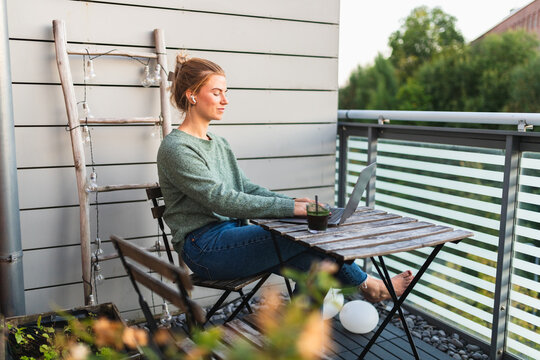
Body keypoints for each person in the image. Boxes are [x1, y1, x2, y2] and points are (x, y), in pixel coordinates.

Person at [157, 54, 413, 303]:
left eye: (226, 92)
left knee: (319, 262)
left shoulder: (219, 143)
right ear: (192, 95)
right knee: (310, 234)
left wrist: (291, 203)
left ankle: (301, 329)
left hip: (235, 236)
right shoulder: (177, 148)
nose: (225, 100)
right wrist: (292, 208)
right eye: (216, 93)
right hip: (205, 249)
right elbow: (221, 200)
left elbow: (246, 188)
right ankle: (372, 287)